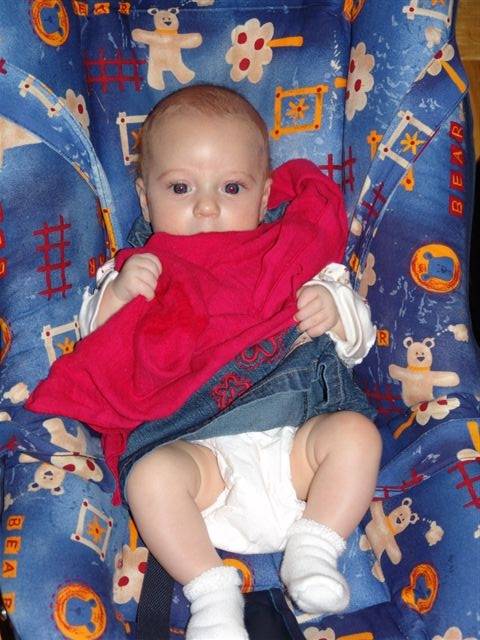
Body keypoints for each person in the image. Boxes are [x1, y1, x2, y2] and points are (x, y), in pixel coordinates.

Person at [29, 85, 381, 640]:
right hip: (199, 460)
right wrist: (118, 296)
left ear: (264, 198)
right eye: (181, 188)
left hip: (300, 452)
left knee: (357, 435)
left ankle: (315, 547)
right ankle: (212, 596)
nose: (207, 207)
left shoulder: (294, 254)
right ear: (146, 199)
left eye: (232, 188)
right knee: (149, 476)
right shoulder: (142, 266)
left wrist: (336, 310)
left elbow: (358, 342)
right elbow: (98, 349)